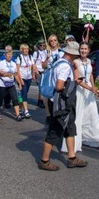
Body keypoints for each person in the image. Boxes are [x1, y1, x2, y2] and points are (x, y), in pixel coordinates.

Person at [39, 40, 88, 171]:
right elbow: (59, 85)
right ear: (72, 54)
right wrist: (68, 84)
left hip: (63, 103)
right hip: (61, 104)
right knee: (55, 131)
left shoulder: (59, 62)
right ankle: (44, 161)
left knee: (69, 128)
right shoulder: (65, 66)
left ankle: (72, 158)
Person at [62, 42, 99, 152]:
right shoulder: (75, 62)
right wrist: (90, 88)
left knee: (93, 115)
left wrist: (94, 88)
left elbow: (91, 75)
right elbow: (77, 80)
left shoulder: (89, 61)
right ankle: (75, 142)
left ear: (89, 50)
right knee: (79, 116)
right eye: (81, 49)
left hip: (89, 92)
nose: (83, 51)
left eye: (85, 49)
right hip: (79, 91)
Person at [0, 46, 23, 121]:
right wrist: (3, 74)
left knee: (15, 99)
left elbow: (16, 74)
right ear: (5, 55)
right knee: (0, 100)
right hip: (2, 84)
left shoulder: (13, 63)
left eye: (10, 55)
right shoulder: (1, 63)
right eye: (8, 55)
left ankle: (18, 115)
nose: (9, 56)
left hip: (11, 84)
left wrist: (19, 83)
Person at [16, 44, 36, 119]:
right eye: (25, 49)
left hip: (29, 77)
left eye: (27, 49)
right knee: (24, 94)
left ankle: (20, 107)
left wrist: (33, 74)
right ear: (22, 50)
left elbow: (33, 66)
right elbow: (17, 70)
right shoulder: (19, 58)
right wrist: (20, 80)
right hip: (22, 77)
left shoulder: (30, 57)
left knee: (23, 94)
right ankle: (26, 111)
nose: (26, 50)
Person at [32, 39, 47, 108]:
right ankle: (40, 101)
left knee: (43, 86)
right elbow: (33, 63)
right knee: (40, 87)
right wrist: (35, 72)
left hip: (44, 70)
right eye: (41, 45)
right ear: (38, 46)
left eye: (43, 45)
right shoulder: (36, 53)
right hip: (38, 71)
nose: (42, 46)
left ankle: (40, 100)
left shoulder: (46, 52)